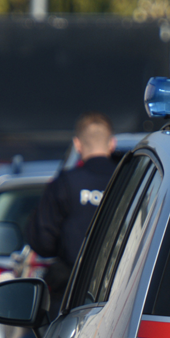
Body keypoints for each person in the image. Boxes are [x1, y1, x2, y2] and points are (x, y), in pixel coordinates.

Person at [24, 111, 118, 303]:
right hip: (120, 290)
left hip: (72, 292)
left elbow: (42, 239)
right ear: (112, 143)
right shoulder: (129, 181)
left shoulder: (65, 183)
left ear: (77, 144)